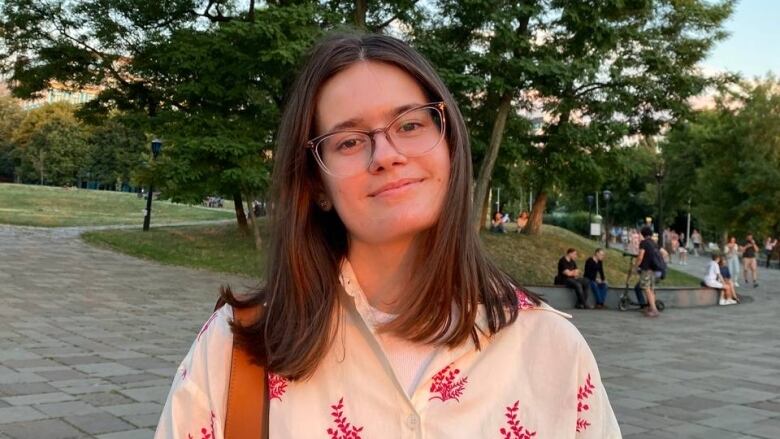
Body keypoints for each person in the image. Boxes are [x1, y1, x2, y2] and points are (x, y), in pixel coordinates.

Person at [154, 33, 619, 438]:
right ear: (318, 186)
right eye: (349, 141)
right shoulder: (234, 352)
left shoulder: (554, 351)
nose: (386, 154)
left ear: (450, 145)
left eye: (411, 124)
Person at [634, 226, 661, 318]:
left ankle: (654, 310)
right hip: (653, 269)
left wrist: (635, 266)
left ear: (643, 234)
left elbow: (640, 256)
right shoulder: (654, 243)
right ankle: (651, 307)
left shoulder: (644, 243)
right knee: (651, 289)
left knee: (647, 289)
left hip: (646, 269)